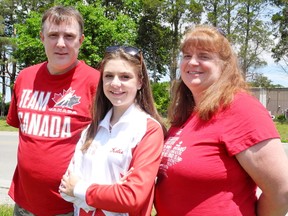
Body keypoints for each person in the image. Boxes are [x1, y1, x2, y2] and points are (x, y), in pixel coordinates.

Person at [154, 25, 288, 216]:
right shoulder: (187, 113)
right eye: (186, 55)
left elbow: (281, 191)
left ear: (225, 65)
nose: (192, 62)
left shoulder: (241, 108)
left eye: (204, 56)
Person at [6, 5, 100, 216]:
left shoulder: (96, 82)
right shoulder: (25, 78)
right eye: (53, 35)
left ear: (81, 40)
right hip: (23, 203)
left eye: (69, 36)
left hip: (69, 206)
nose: (60, 43)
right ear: (42, 38)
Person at [59, 45, 166, 216]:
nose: (115, 83)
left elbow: (131, 198)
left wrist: (80, 188)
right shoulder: (91, 129)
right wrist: (112, 193)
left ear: (140, 82)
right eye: (109, 76)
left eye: (125, 77)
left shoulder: (149, 129)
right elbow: (65, 188)